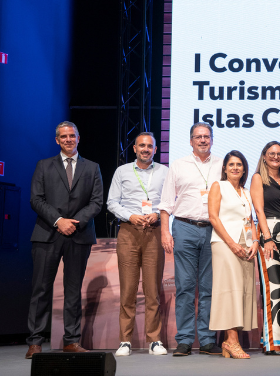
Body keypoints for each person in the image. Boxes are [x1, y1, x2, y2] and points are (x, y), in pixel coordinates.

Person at [25, 121, 103, 359]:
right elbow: (36, 200)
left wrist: (74, 222)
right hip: (48, 234)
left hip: (78, 235)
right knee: (41, 289)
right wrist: (59, 220)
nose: (68, 139)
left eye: (72, 135)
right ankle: (35, 342)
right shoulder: (44, 166)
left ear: (79, 138)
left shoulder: (92, 167)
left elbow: (97, 202)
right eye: (63, 136)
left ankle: (71, 340)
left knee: (73, 290)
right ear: (56, 140)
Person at [159, 122, 223, 356]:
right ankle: (184, 340)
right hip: (184, 227)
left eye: (207, 136)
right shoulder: (177, 165)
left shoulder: (221, 165)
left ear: (212, 139)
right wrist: (165, 232)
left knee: (208, 288)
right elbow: (166, 203)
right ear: (190, 141)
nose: (203, 140)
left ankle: (207, 340)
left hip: (212, 230)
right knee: (185, 287)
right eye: (198, 137)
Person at [107, 132, 169, 356]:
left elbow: (171, 200)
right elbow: (112, 202)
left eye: (149, 146)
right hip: (128, 231)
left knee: (152, 289)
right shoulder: (122, 171)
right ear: (134, 148)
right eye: (141, 145)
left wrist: (157, 214)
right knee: (128, 288)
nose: (145, 149)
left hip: (154, 231)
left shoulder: (165, 172)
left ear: (155, 149)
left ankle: (154, 340)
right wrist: (131, 215)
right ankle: (125, 340)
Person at [207, 150, 258, 359]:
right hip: (224, 244)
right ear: (225, 168)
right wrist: (231, 244)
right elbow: (213, 217)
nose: (235, 168)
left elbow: (250, 220)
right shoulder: (218, 186)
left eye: (239, 164)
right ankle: (232, 341)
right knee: (229, 291)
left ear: (244, 169)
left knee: (242, 291)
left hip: (245, 245)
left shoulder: (246, 192)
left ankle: (229, 342)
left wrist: (255, 241)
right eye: (231, 165)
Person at [250, 141, 280, 356]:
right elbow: (258, 210)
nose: (276, 156)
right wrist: (267, 238)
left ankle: (268, 339)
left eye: (279, 154)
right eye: (271, 153)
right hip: (269, 234)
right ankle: (273, 344)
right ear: (264, 155)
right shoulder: (258, 177)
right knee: (273, 288)